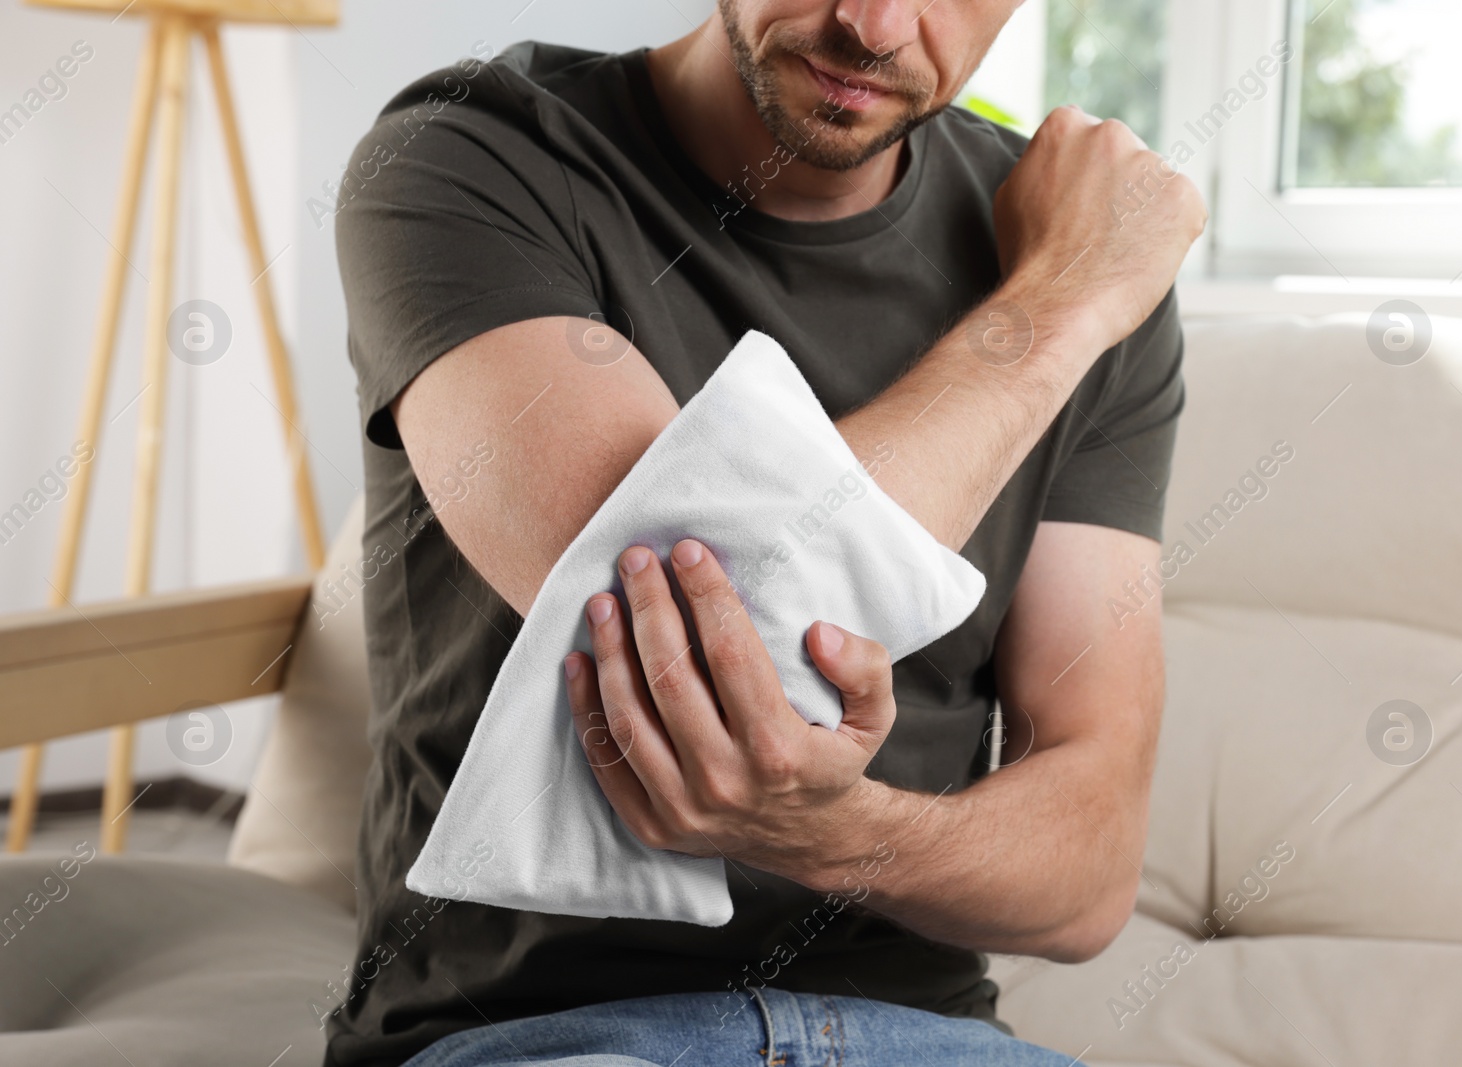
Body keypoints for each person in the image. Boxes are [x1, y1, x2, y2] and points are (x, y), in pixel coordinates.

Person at [330, 1, 1205, 1064]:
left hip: (919, 1038)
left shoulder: (1070, 252)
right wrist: (1057, 307)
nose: (874, 25)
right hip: (542, 1032)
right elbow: (708, 650)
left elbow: (1088, 872)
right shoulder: (472, 160)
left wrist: (842, 834)